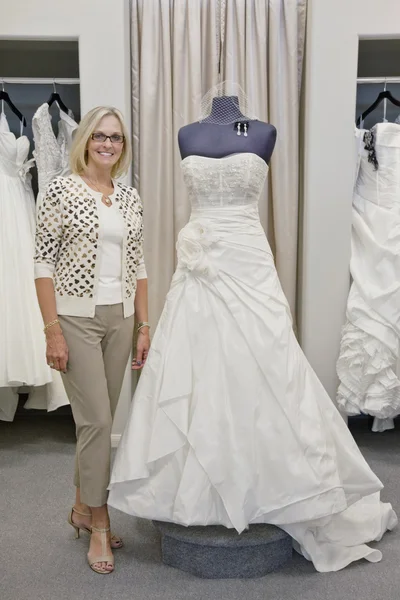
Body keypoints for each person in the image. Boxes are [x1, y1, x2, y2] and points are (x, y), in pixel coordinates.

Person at [107, 85, 397, 573]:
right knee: (197, 365)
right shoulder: (187, 133)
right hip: (199, 262)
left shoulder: (264, 132)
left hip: (247, 257)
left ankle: (274, 483)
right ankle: (197, 491)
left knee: (262, 365)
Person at [34, 106, 150, 574]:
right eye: (100, 136)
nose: (108, 144)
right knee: (99, 423)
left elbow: (139, 265)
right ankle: (99, 521)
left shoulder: (130, 198)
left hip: (121, 319)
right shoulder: (60, 190)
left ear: (123, 146)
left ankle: (82, 507)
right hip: (75, 319)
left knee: (96, 424)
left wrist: (144, 325)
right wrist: (52, 329)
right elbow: (42, 264)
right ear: (85, 140)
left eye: (117, 138)